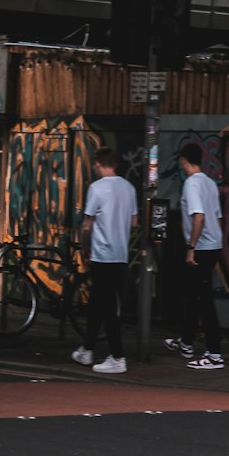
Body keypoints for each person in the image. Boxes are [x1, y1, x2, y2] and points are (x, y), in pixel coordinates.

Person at [72, 146, 138, 375]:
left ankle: (118, 357)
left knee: (107, 307)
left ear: (98, 164)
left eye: (95, 165)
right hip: (120, 255)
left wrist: (83, 247)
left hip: (102, 254)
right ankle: (87, 349)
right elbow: (134, 223)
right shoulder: (129, 188)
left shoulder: (97, 188)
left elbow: (88, 224)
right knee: (99, 304)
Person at [164, 142, 225, 370]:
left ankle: (215, 354)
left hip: (200, 248)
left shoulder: (191, 184)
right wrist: (217, 239)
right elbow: (217, 217)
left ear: (183, 161)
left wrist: (191, 247)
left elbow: (198, 216)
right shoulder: (210, 183)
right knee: (193, 294)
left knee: (203, 299)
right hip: (213, 245)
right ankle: (186, 342)